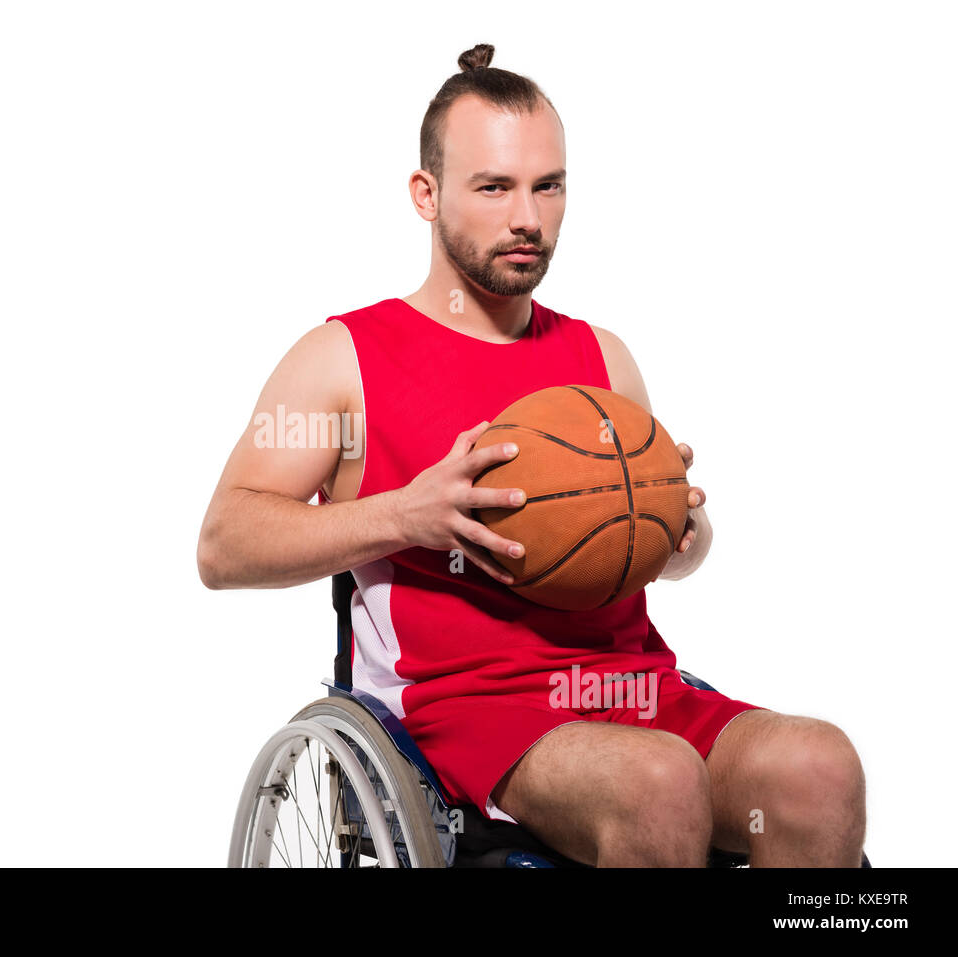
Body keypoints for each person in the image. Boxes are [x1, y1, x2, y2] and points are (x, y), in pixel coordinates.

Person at [197, 44, 865, 867]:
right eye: (495, 187)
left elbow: (652, 566)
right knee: (660, 783)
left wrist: (679, 532)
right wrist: (406, 512)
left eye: (548, 186)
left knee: (820, 768)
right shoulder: (343, 358)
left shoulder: (603, 357)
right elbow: (223, 544)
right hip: (466, 710)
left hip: (629, 686)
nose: (528, 217)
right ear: (426, 194)